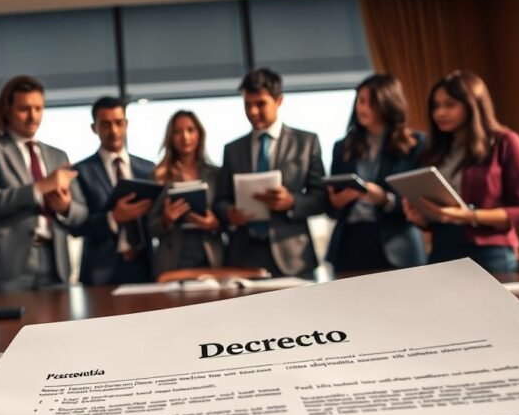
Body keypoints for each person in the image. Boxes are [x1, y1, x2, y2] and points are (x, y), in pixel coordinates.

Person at [402, 70, 519, 273]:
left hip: (490, 253)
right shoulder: (434, 151)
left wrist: (470, 215)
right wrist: (421, 219)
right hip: (442, 250)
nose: (440, 113)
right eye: (436, 106)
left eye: (450, 105)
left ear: (473, 104)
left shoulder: (505, 142)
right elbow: (443, 215)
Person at [0, 75, 87, 292]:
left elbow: (81, 213)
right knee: (8, 327)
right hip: (4, 263)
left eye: (38, 108)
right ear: (7, 110)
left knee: (57, 326)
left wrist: (65, 207)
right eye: (24, 108)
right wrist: (40, 187)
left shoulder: (58, 156)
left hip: (55, 263)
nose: (33, 117)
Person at [214, 68, 327, 278]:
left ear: (279, 101)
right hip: (243, 255)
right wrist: (229, 213)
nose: (253, 111)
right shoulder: (232, 149)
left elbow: (321, 198)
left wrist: (292, 202)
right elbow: (221, 200)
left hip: (293, 256)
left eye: (260, 104)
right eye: (248, 104)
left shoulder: (306, 143)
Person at [326, 74, 427, 273]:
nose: (362, 108)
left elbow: (421, 203)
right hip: (350, 245)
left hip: (398, 245)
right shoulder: (342, 147)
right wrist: (335, 203)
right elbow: (331, 208)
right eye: (360, 101)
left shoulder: (415, 144)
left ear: (388, 103)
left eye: (371, 102)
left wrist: (385, 199)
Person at [71, 97, 155, 285]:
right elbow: (77, 226)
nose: (114, 131)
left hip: (146, 267)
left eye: (119, 123)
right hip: (101, 271)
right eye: (106, 124)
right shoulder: (80, 172)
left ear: (126, 124)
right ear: (94, 128)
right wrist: (113, 218)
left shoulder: (148, 169)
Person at [148, 110, 224, 275]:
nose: (185, 137)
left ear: (199, 134)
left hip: (209, 254)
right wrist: (166, 220)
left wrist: (214, 224)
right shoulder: (158, 175)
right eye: (177, 132)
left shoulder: (216, 174)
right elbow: (149, 226)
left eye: (191, 130)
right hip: (172, 257)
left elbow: (227, 219)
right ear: (170, 137)